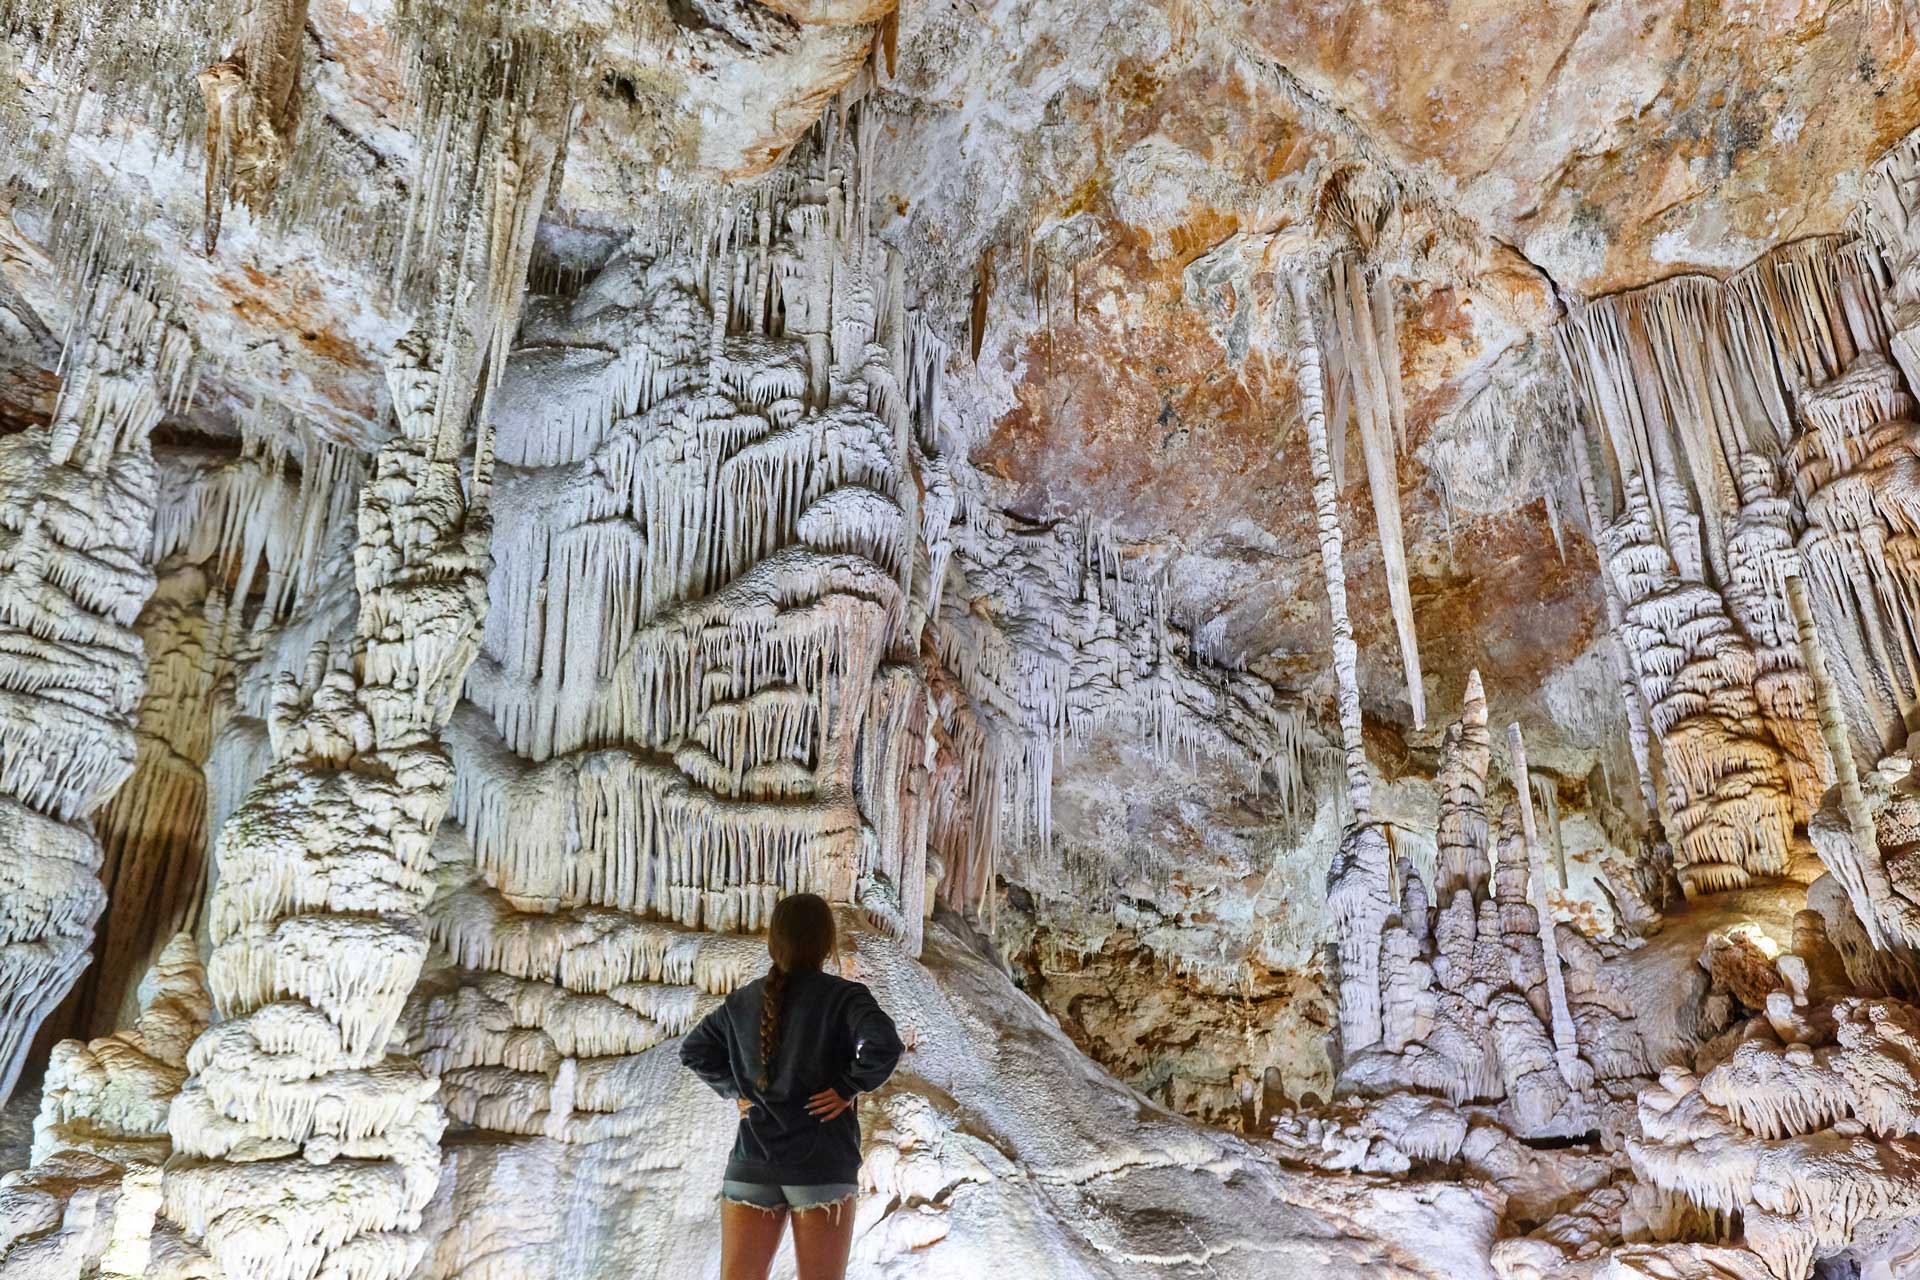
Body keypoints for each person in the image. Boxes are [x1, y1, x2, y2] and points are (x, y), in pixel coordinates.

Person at [681, 893, 904, 1280]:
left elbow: (695, 1050)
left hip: (752, 1163)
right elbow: (885, 1044)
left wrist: (736, 1090)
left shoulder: (742, 1001)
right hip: (820, 1165)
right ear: (824, 943)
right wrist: (848, 1086)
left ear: (774, 942)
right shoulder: (844, 997)